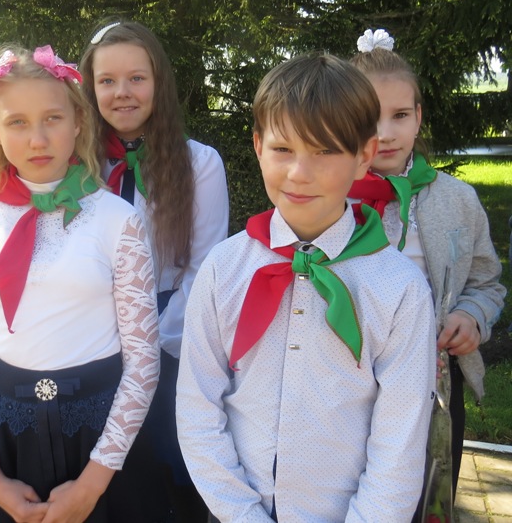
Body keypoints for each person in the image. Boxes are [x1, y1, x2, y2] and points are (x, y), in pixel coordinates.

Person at [176, 54, 437, 522]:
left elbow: (400, 438)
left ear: (364, 155)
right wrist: (243, 515)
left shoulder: (400, 288)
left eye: (325, 151)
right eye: (283, 149)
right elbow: (198, 407)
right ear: (258, 146)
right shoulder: (223, 270)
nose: (299, 172)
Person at [0, 44, 161, 523]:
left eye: (52, 118)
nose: (38, 138)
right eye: (17, 122)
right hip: (4, 439)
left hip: (102, 439)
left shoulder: (117, 219)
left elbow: (143, 361)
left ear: (79, 122)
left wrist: (93, 482)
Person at [79, 20, 229, 521]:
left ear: (158, 82)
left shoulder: (199, 163)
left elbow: (204, 266)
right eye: (107, 80)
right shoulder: (76, 166)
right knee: (110, 468)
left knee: (170, 462)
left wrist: (149, 346)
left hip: (168, 331)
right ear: (90, 88)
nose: (122, 92)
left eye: (136, 78)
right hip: (94, 333)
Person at [349, 29, 506, 492]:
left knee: (427, 494)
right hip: (347, 385)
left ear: (418, 116)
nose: (385, 133)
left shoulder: (457, 200)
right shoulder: (327, 199)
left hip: (434, 385)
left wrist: (471, 315)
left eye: (400, 115)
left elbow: (487, 282)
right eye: (368, 118)